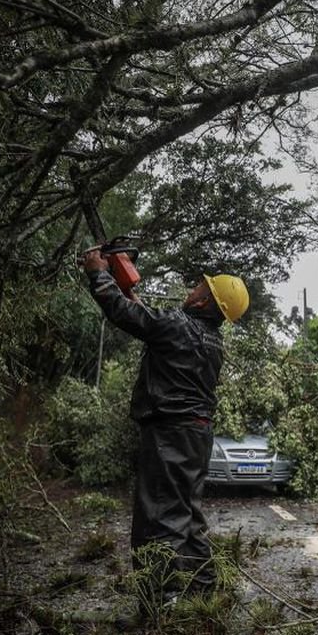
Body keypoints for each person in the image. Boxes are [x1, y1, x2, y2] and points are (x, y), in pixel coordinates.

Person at [82, 250, 249, 599]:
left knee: (158, 521)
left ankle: (161, 607)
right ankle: (202, 596)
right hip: (196, 435)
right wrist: (124, 281)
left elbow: (127, 315)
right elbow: (148, 321)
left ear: (205, 303)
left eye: (198, 288)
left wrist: (98, 273)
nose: (191, 290)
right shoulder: (212, 341)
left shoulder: (177, 326)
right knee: (187, 515)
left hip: (169, 434)